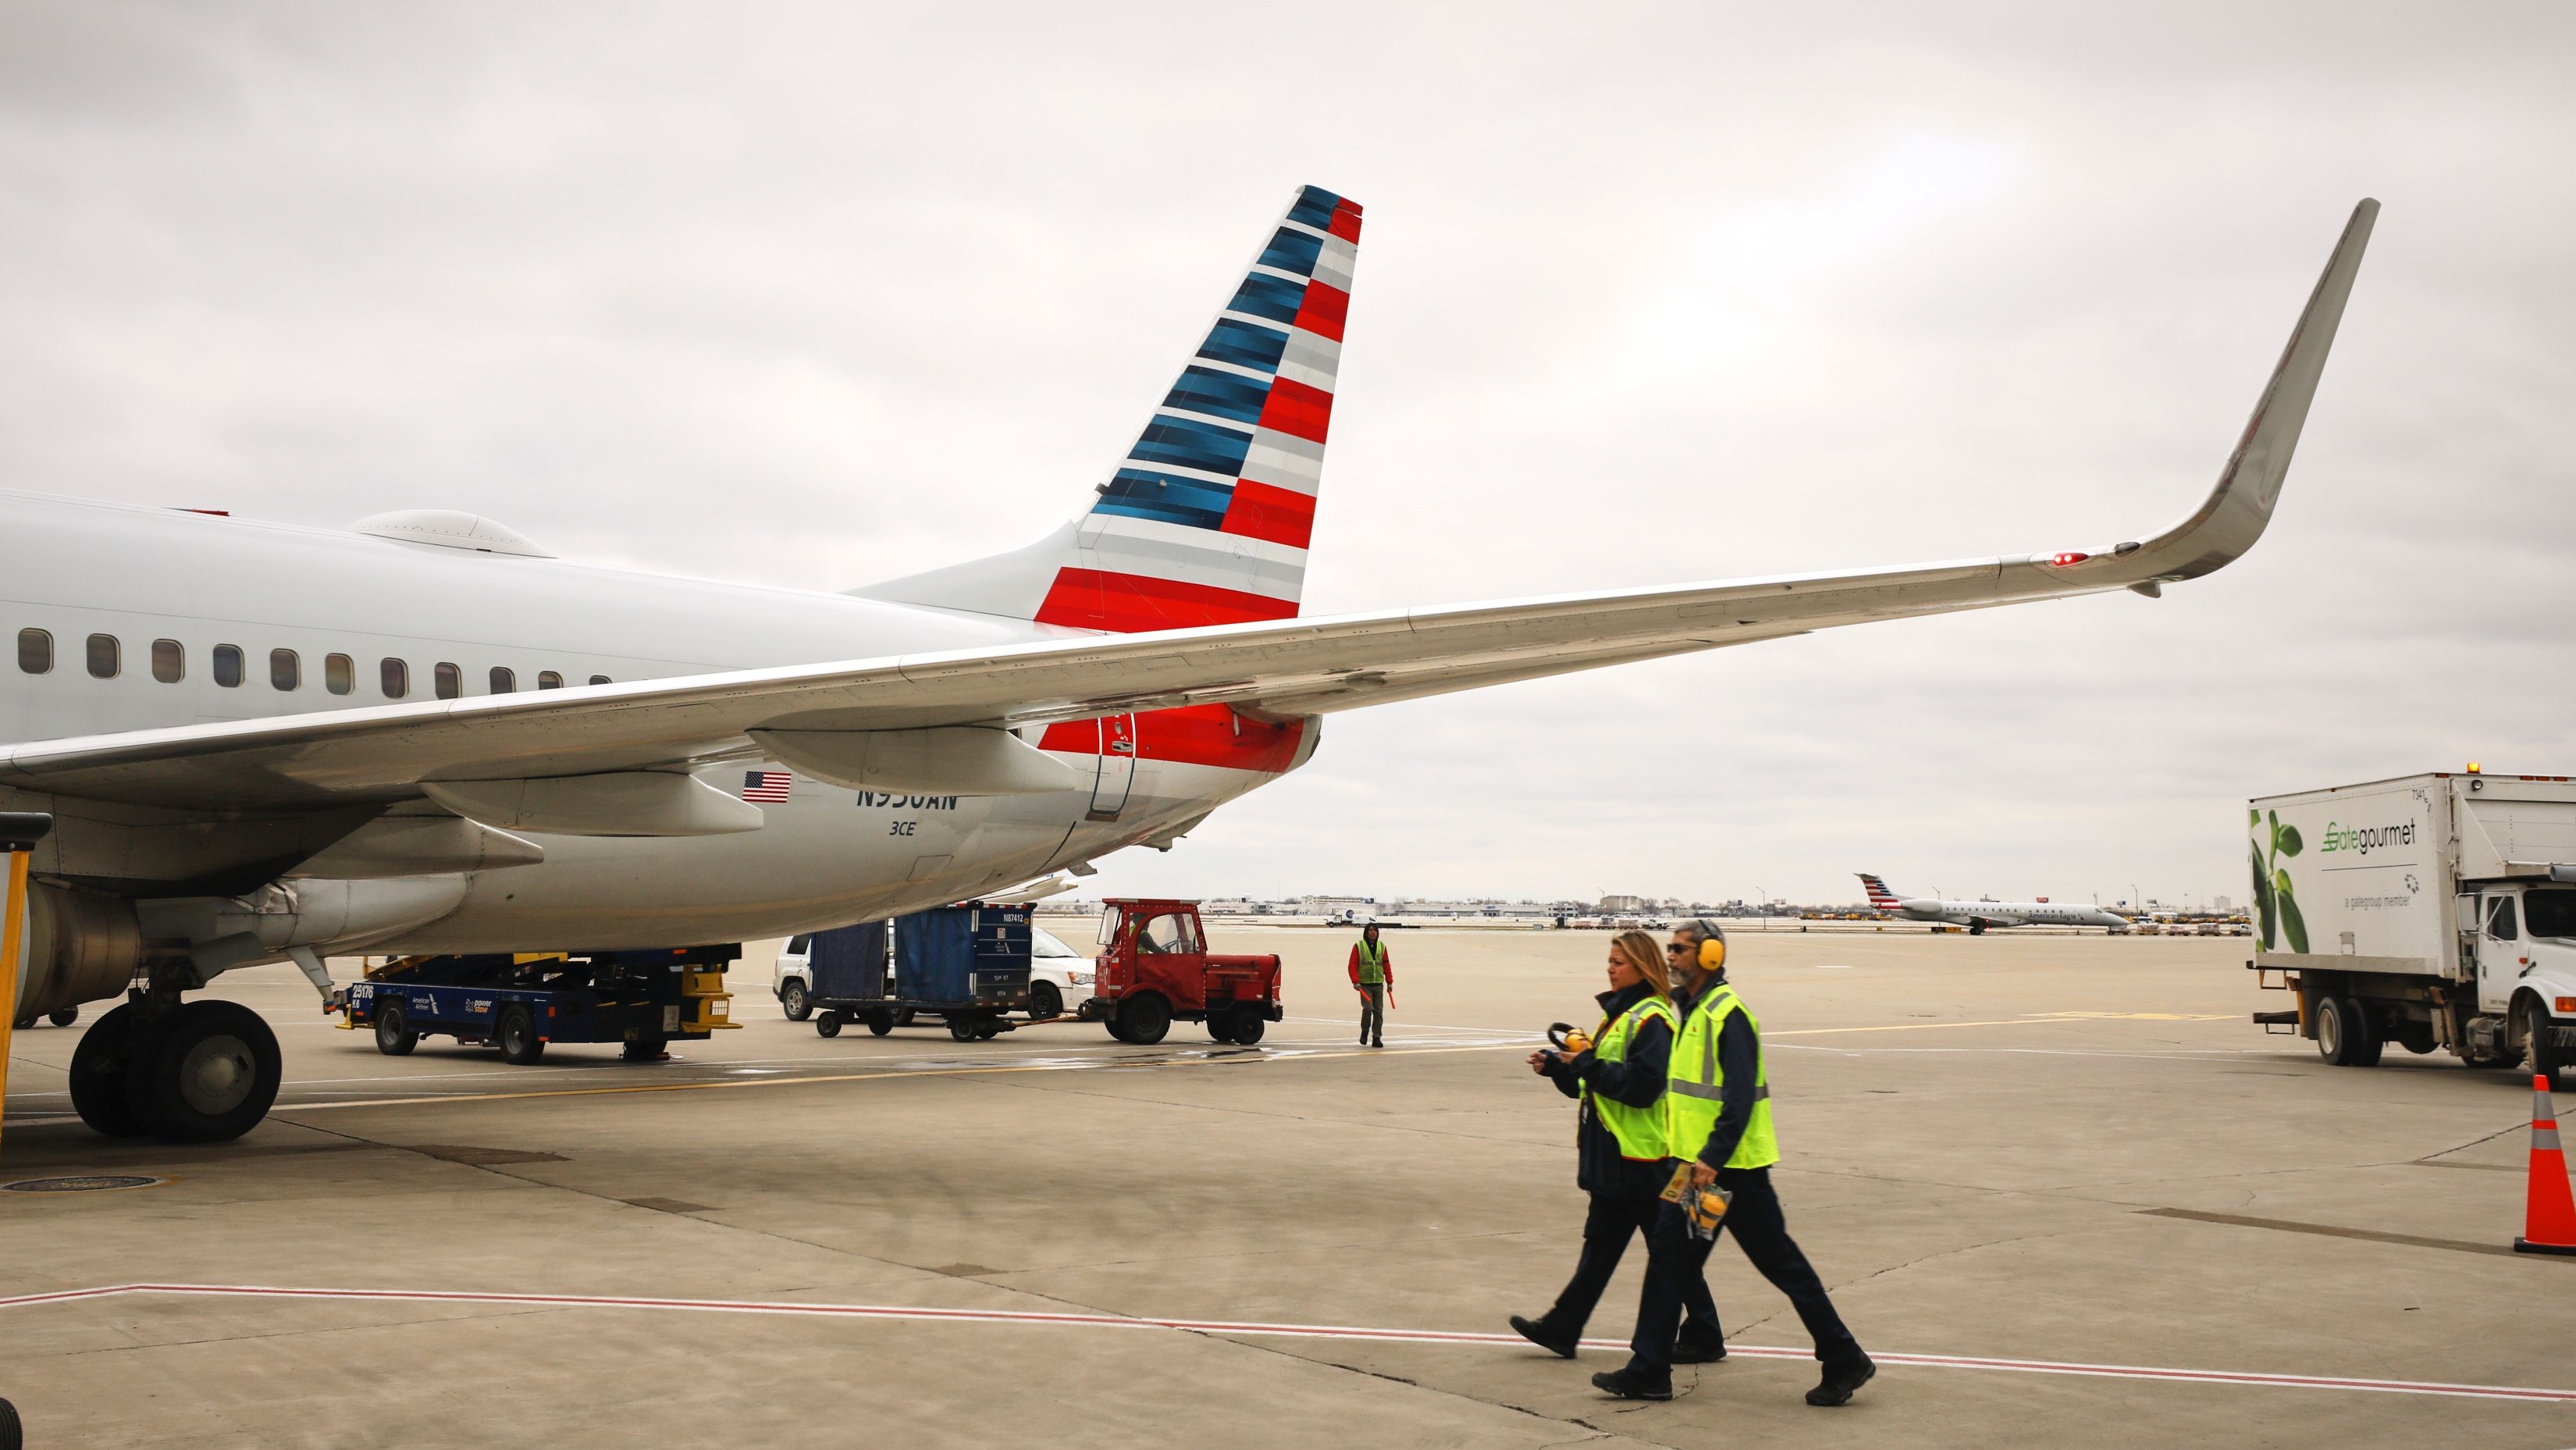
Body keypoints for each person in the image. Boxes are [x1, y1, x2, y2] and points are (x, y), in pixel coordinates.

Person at [1594, 919, 1876, 1406]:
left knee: (1780, 1266)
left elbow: (1739, 1098)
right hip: (1695, 1169)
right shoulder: (1690, 1010)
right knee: (1669, 1262)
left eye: (1680, 949)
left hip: (1728, 1172)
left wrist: (1711, 1158)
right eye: (1670, 949)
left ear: (1709, 957)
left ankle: (1845, 1357)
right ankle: (1649, 1370)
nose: (1671, 957)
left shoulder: (1729, 1014)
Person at [1509, 931, 1724, 1361]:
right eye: (1609, 960)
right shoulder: (1622, 1015)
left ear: (1642, 968)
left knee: (1666, 1252)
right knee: (1604, 1249)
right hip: (1617, 1157)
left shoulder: (1652, 1020)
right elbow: (1596, 1084)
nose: (1610, 968)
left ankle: (1703, 1332)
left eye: (1618, 962)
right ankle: (1563, 1327)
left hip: (1643, 1160)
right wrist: (1558, 1069)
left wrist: (1586, 1061)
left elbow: (1642, 1088)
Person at [1348, 923, 1393, 1047]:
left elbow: (1386, 965)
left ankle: (1377, 1037)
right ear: (1366, 932)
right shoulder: (1359, 946)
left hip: (1378, 984)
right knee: (1368, 1009)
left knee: (1378, 1012)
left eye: (1375, 930)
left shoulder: (1382, 946)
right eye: (1370, 930)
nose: (1373, 932)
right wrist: (1355, 981)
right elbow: (1352, 965)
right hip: (1364, 985)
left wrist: (1389, 982)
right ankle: (1365, 1031)